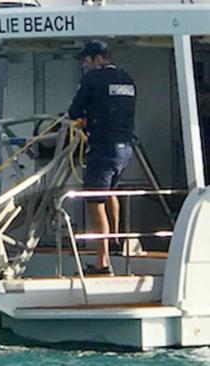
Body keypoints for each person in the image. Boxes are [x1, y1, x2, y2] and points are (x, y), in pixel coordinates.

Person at [68, 40, 137, 275]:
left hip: (103, 148)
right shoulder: (127, 78)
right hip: (125, 148)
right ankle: (115, 239)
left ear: (98, 58)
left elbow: (74, 111)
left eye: (86, 60)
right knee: (111, 193)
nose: (84, 65)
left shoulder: (92, 79)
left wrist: (84, 120)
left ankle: (102, 262)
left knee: (94, 200)